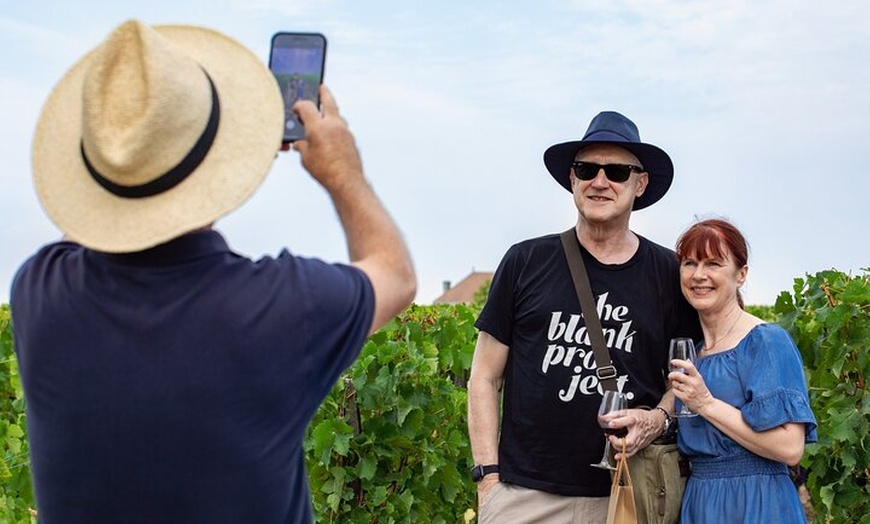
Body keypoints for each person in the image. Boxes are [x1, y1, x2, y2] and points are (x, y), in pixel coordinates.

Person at [10, 20, 415, 524]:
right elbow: (395, 275)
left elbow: (92, 222)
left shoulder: (38, 290)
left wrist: (151, 158)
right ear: (218, 159)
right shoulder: (287, 305)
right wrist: (341, 172)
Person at [467, 111, 702, 523]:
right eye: (587, 169)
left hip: (628, 495)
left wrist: (657, 418)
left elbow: (683, 379)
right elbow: (484, 377)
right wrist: (488, 480)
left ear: (640, 184)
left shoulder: (668, 272)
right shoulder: (525, 261)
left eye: (616, 171)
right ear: (572, 179)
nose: (600, 181)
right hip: (524, 498)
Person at [669, 218, 817, 523]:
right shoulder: (694, 354)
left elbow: (790, 448)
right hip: (700, 502)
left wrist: (706, 404)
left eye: (713, 263)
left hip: (759, 503)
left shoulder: (766, 341)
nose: (699, 275)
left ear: (741, 274)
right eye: (689, 263)